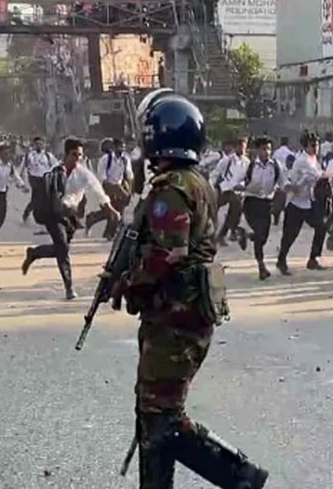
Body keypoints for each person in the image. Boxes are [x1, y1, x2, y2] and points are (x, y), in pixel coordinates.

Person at [114, 89, 268, 488]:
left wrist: (126, 282)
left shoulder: (172, 188)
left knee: (162, 417)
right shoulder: (194, 181)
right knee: (154, 413)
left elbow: (167, 254)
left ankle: (240, 477)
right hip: (182, 313)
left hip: (177, 317)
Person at [20, 138, 119, 300]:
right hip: (54, 215)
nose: (77, 158)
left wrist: (109, 208)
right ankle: (69, 287)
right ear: (66, 155)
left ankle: (34, 253)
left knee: (61, 248)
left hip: (70, 215)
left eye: (80, 155)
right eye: (74, 155)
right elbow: (44, 193)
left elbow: (97, 188)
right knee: (63, 248)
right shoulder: (54, 171)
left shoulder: (83, 173)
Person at [276, 133, 327, 275]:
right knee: (290, 235)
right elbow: (318, 176)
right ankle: (281, 260)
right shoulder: (303, 160)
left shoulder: (314, 159)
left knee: (321, 227)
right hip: (296, 202)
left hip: (308, 201)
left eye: (317, 145)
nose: (316, 148)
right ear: (306, 146)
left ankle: (313, 258)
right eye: (313, 145)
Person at [238, 136, 286, 280]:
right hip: (252, 202)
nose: (267, 152)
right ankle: (261, 266)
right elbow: (241, 180)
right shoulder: (251, 165)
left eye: (269, 149)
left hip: (266, 204)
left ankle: (246, 234)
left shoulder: (276, 165)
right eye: (264, 149)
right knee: (259, 235)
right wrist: (240, 186)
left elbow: (283, 183)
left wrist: (290, 188)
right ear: (258, 150)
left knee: (263, 237)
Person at [87, 138, 133, 240]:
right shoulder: (105, 159)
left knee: (117, 211)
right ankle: (108, 231)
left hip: (119, 188)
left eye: (123, 147)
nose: (122, 149)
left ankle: (109, 233)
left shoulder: (125, 159)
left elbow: (129, 176)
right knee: (112, 210)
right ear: (114, 147)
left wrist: (129, 190)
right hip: (107, 187)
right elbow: (102, 178)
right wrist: (115, 189)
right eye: (120, 147)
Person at [213, 137, 249, 246]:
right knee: (213, 211)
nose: (241, 149)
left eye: (243, 147)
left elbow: (246, 178)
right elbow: (216, 172)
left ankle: (223, 234)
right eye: (239, 147)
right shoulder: (228, 160)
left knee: (234, 212)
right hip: (224, 188)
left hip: (236, 191)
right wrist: (211, 186)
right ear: (236, 147)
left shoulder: (247, 162)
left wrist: (243, 186)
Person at [21, 137, 58, 224]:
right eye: (37, 144)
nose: (39, 146)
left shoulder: (48, 155)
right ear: (34, 145)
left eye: (41, 144)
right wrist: (22, 182)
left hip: (45, 178)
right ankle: (34, 214)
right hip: (34, 178)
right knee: (38, 197)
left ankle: (29, 212)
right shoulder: (29, 155)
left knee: (41, 199)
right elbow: (23, 167)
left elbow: (56, 165)